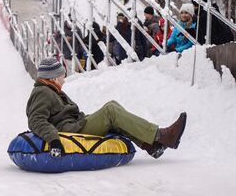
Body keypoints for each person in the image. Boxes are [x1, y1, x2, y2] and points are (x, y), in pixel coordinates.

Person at [26, 57, 187, 159]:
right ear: (53, 78)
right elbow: (36, 120)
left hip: (75, 124)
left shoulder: (50, 90)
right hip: (71, 131)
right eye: (62, 76)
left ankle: (152, 146)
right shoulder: (43, 92)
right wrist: (53, 140)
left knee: (113, 106)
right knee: (111, 110)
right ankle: (161, 135)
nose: (64, 80)